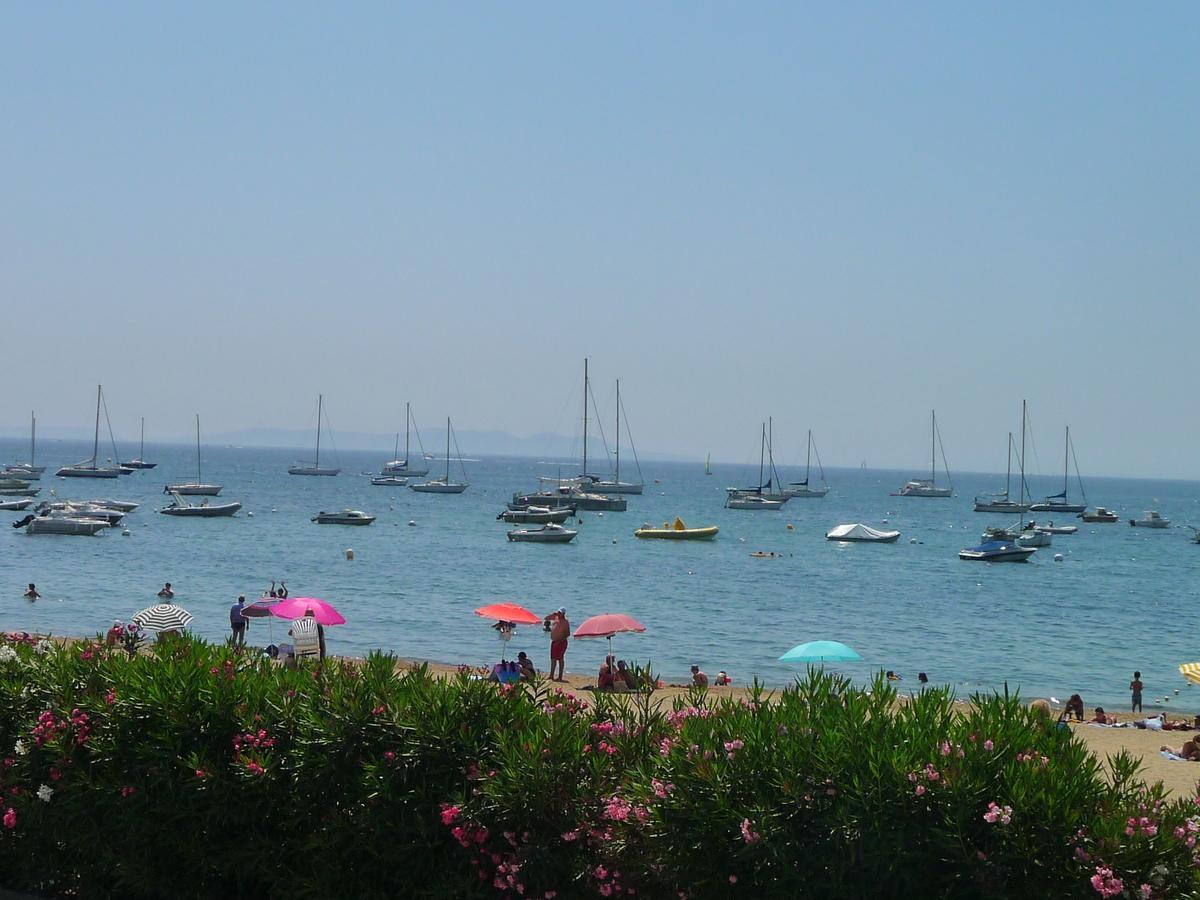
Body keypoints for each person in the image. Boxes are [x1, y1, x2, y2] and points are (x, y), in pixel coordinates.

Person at [545, 608, 569, 682]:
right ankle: (551, 675)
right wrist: (553, 614)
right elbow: (546, 618)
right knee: (553, 659)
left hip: (561, 642)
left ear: (563, 614)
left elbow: (567, 634)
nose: (558, 613)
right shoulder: (555, 618)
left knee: (560, 659)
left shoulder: (565, 622)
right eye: (558, 612)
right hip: (554, 641)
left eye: (560, 613)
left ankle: (560, 677)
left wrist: (560, 640)